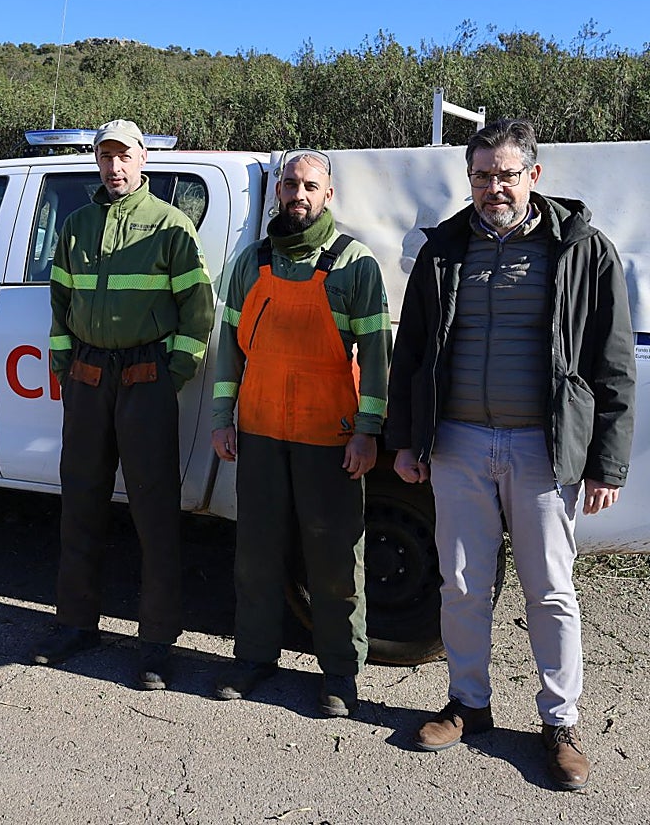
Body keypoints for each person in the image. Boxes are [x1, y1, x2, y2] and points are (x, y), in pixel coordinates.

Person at [387, 119, 636, 790]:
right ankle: (469, 703)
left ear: (534, 174)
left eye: (506, 174)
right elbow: (410, 351)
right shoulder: (444, 249)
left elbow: (612, 365)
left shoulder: (582, 250)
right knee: (463, 585)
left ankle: (560, 722)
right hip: (459, 444)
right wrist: (406, 440)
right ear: (469, 178)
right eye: (482, 175)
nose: (494, 187)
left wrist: (606, 463)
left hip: (542, 449)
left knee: (551, 591)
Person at [31, 119, 214, 689]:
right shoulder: (77, 225)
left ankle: (156, 642)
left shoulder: (170, 226)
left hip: (145, 381)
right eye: (105, 157)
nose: (114, 167)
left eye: (124, 157)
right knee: (79, 504)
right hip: (87, 380)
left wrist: (172, 372)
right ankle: (75, 624)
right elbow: (60, 304)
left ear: (143, 161)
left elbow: (198, 310)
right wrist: (66, 368)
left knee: (153, 513)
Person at [209, 149, 392, 717]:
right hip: (260, 431)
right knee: (256, 556)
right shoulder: (250, 263)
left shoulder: (355, 265)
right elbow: (227, 354)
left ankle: (340, 674)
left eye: (310, 186)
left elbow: (379, 361)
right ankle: (254, 658)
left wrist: (368, 431)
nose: (298, 194)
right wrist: (222, 418)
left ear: (328, 195)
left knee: (335, 561)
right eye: (290, 184)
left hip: (329, 438)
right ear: (278, 191)